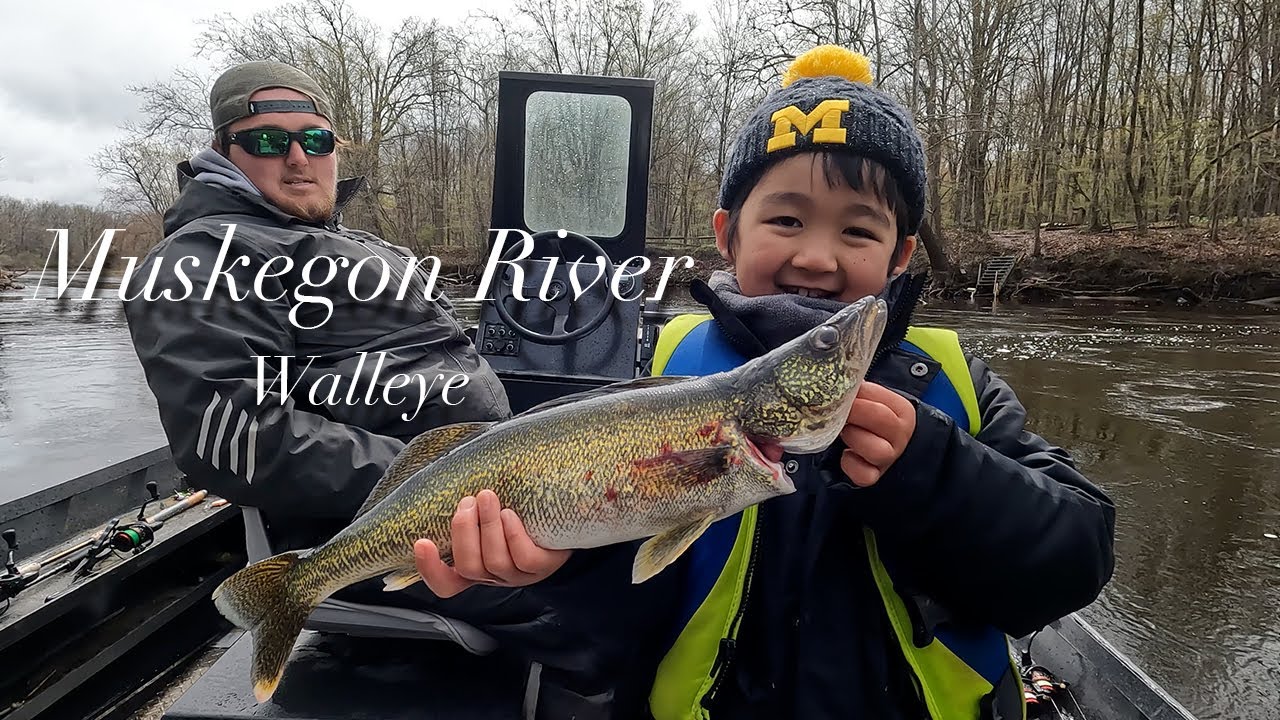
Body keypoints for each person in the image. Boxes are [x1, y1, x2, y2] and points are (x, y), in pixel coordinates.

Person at [423, 45, 1116, 719]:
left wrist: (935, 475)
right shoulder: (657, 372)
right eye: (786, 220)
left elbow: (1076, 561)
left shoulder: (955, 388)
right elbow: (616, 631)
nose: (817, 257)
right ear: (728, 234)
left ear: (900, 256)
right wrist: (563, 568)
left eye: (858, 231)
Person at [122, 61, 670, 717]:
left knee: (663, 494)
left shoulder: (348, 244)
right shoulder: (203, 260)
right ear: (222, 153)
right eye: (269, 141)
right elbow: (234, 436)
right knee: (625, 592)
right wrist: (447, 482)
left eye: (317, 140)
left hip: (482, 482)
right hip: (393, 525)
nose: (299, 159)